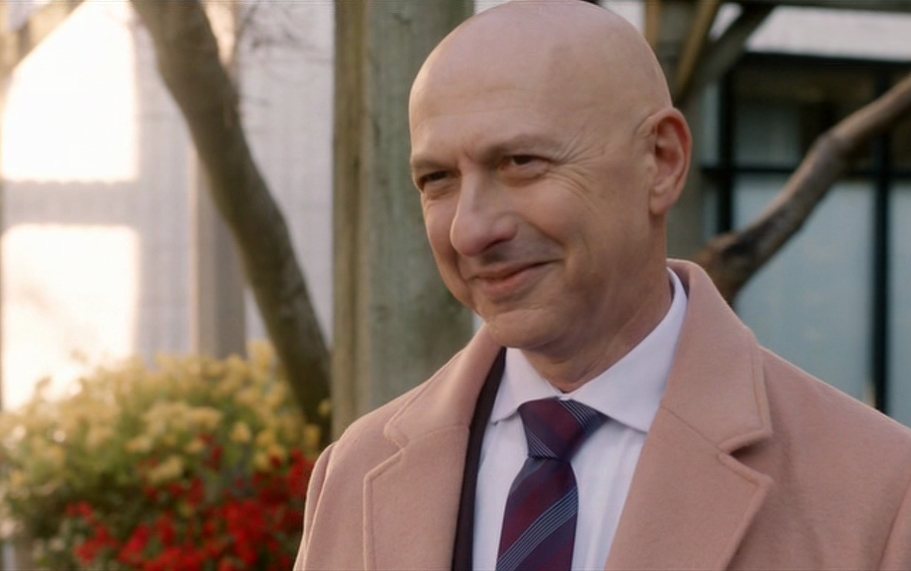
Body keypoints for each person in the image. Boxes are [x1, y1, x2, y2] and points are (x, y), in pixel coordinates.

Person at [294, 1, 911, 569]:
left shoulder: (881, 492)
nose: (469, 230)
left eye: (521, 162)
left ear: (661, 161)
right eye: (437, 179)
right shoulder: (354, 472)